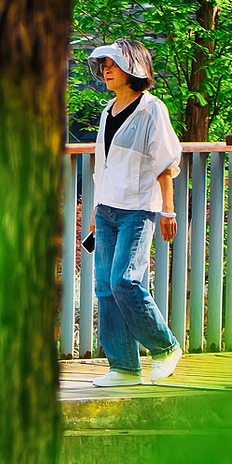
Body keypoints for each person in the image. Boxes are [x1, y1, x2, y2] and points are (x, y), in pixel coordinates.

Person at [84, 39, 184, 388]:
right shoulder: (107, 110)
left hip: (139, 209)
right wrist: (96, 209)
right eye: (104, 64)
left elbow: (166, 163)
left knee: (125, 281)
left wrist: (168, 211)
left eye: (114, 63)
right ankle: (124, 367)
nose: (106, 69)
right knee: (104, 287)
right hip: (107, 209)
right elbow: (104, 165)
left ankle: (166, 347)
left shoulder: (151, 109)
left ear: (134, 69)